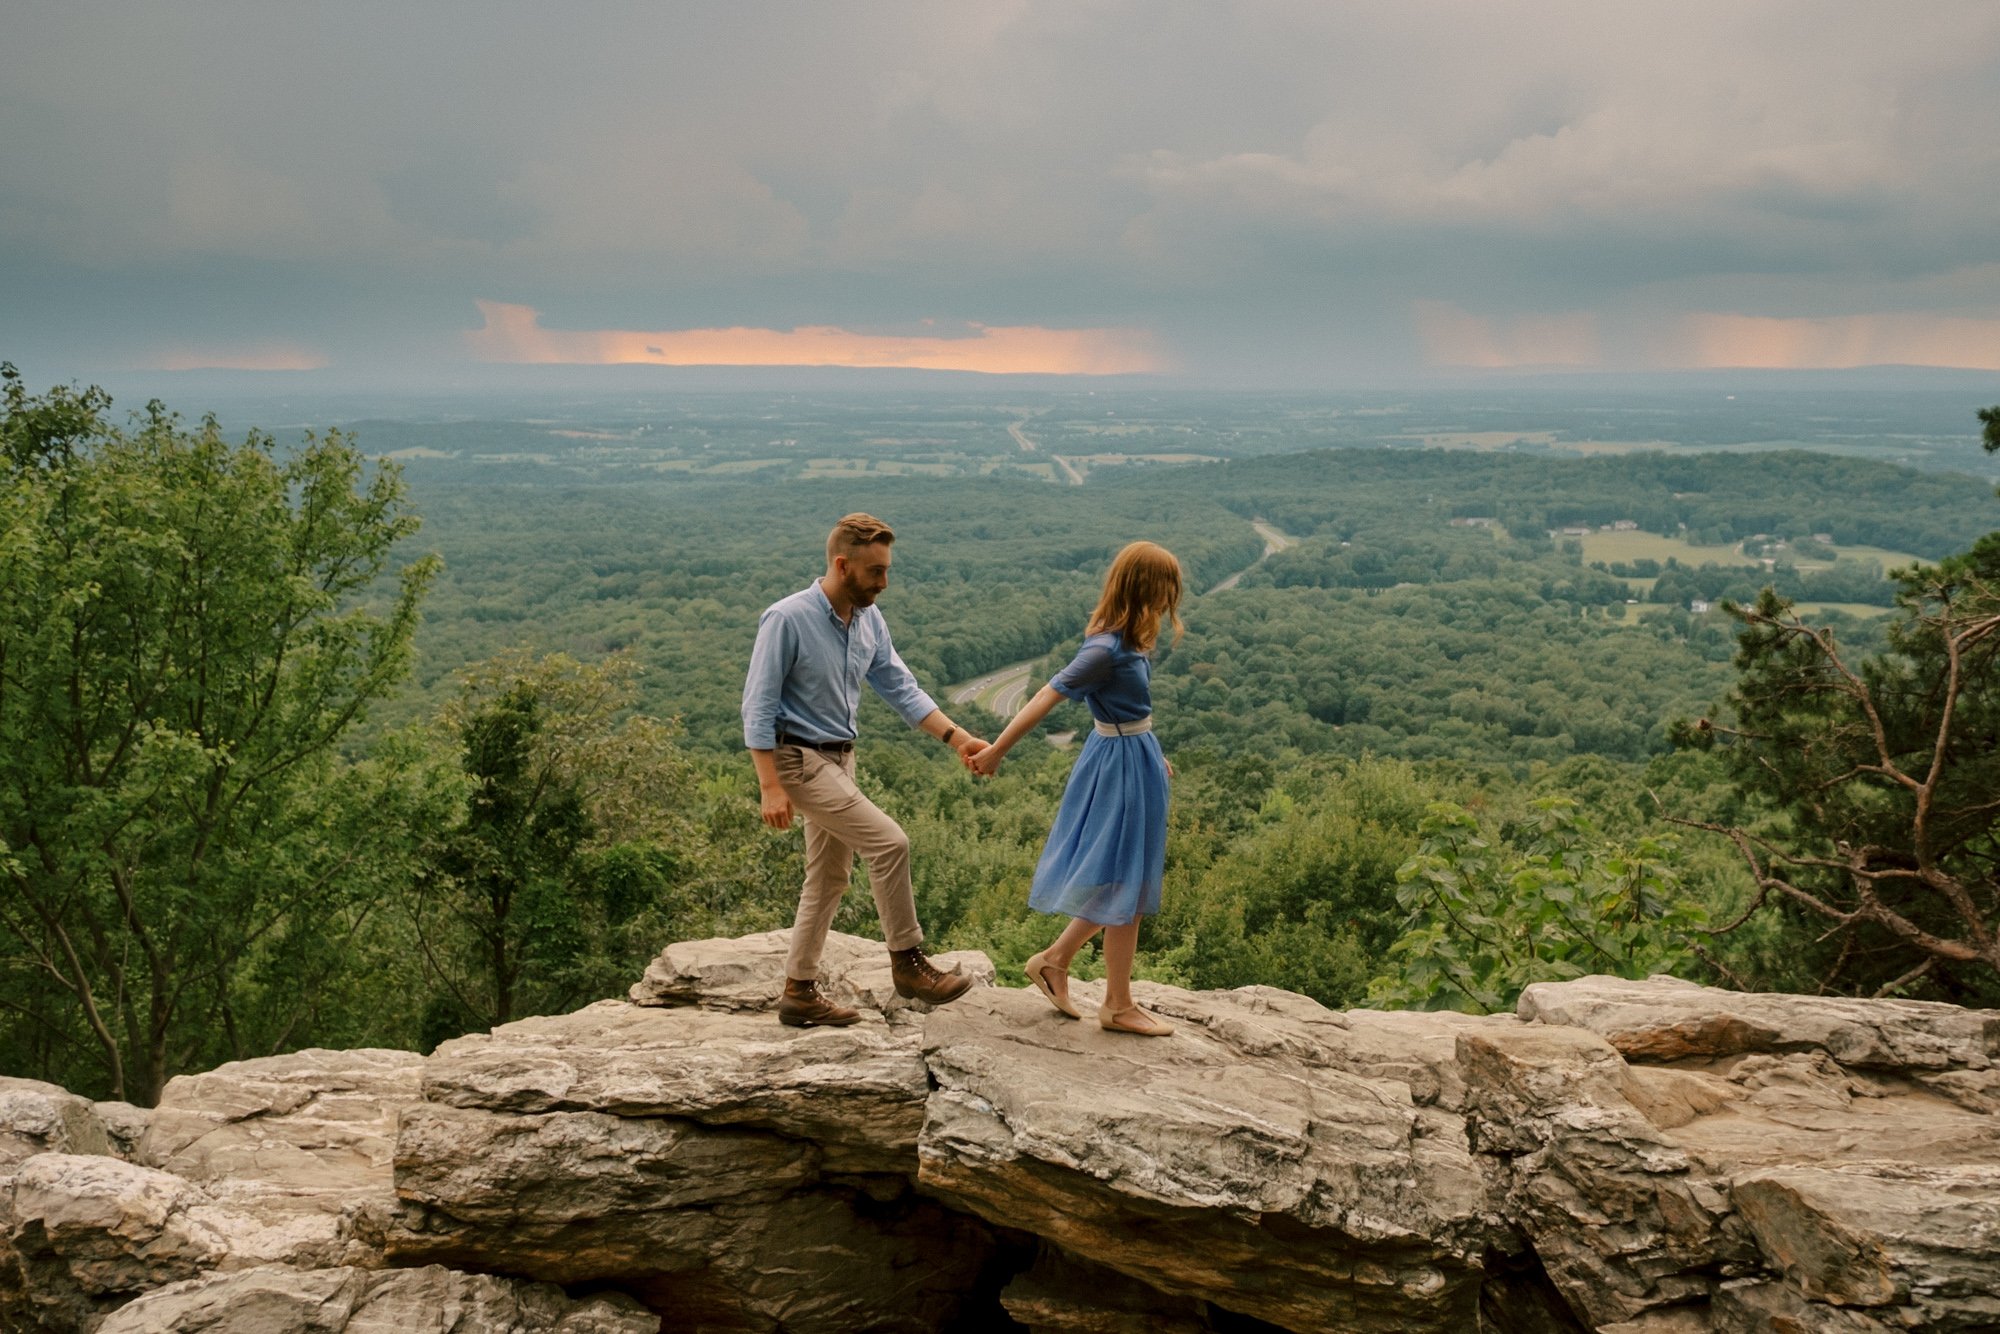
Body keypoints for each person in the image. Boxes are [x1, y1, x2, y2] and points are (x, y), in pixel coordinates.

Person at [743, 513, 986, 1028]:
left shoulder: (868, 620)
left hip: (839, 760)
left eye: (887, 570)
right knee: (889, 843)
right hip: (797, 759)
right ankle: (908, 963)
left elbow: (901, 689)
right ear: (842, 564)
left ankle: (799, 990)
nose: (884, 583)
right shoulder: (787, 618)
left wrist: (958, 737)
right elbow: (758, 706)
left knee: (829, 877)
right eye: (875, 571)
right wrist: (769, 785)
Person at [966, 540, 1181, 1037]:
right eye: (1166, 588)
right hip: (1119, 768)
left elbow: (1128, 709)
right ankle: (1118, 1004)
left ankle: (1055, 961)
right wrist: (998, 750)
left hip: (1137, 758)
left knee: (1122, 880)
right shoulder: (1105, 649)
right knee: (1127, 883)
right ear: (1146, 587)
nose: (1172, 599)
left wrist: (1152, 749)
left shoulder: (1127, 642)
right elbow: (1047, 694)